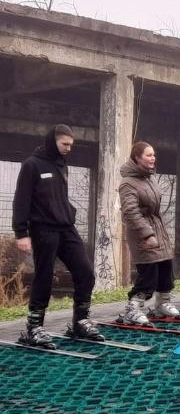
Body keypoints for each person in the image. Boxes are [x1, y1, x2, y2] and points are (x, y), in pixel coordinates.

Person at [12, 124, 104, 348]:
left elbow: (58, 196)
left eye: (71, 145)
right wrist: (21, 232)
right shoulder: (32, 165)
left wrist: (68, 211)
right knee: (45, 276)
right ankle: (34, 328)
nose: (68, 149)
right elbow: (21, 200)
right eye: (65, 144)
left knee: (85, 272)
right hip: (43, 228)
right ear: (53, 141)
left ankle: (81, 322)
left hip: (66, 227)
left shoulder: (61, 164)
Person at [118, 141, 180, 325]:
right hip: (142, 233)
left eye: (153, 155)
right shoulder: (128, 183)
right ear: (137, 158)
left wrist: (157, 232)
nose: (153, 158)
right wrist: (147, 234)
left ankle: (162, 304)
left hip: (158, 228)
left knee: (165, 268)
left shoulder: (150, 178)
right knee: (148, 274)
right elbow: (130, 212)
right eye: (148, 155)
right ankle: (133, 308)